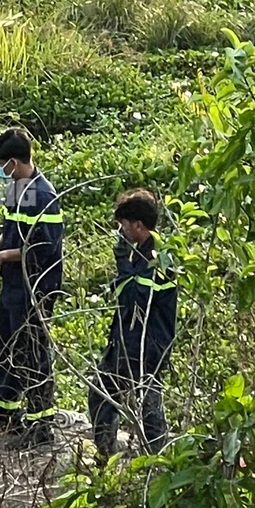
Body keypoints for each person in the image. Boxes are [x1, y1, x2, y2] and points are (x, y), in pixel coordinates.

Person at [0, 128, 64, 446]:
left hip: (35, 285)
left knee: (32, 350)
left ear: (13, 162)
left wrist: (1, 257)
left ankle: (41, 422)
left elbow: (40, 249)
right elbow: (11, 231)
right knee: (5, 345)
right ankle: (5, 413)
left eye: (0, 163)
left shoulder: (43, 196)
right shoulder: (17, 188)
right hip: (14, 283)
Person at [88, 189, 177, 454]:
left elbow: (136, 298)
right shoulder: (140, 252)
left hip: (146, 346)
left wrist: (122, 265)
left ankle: (156, 462)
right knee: (102, 392)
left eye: (124, 225)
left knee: (149, 407)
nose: (121, 231)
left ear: (138, 225)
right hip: (126, 340)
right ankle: (107, 454)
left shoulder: (159, 259)